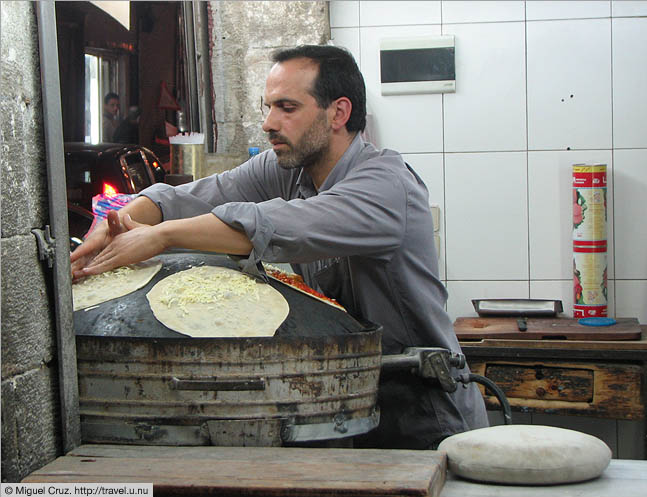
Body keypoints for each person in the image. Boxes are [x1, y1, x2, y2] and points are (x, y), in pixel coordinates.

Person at [71, 44, 489, 449]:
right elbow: (203, 194)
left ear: (338, 113)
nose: (269, 123)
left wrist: (161, 237)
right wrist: (120, 221)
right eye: (267, 107)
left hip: (424, 411)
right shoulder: (290, 170)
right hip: (345, 403)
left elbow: (276, 225)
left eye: (287, 108)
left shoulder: (384, 185)